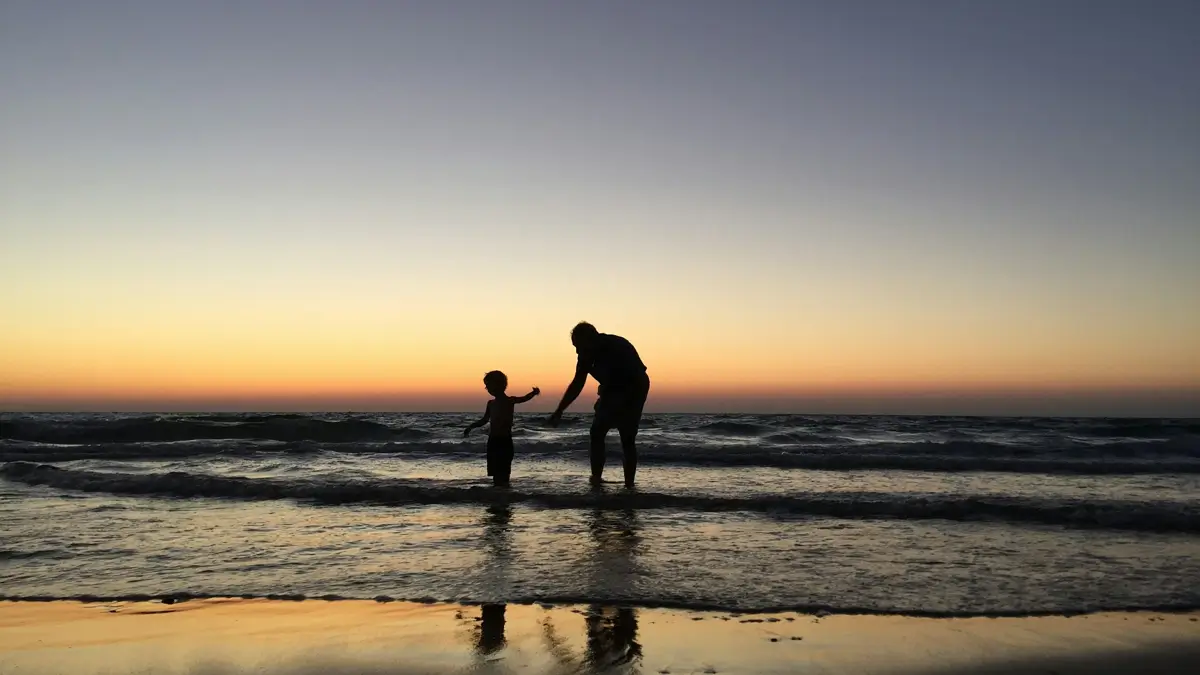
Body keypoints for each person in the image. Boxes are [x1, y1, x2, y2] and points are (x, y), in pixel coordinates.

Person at [548, 322, 649, 486]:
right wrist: (560, 410)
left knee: (627, 436)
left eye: (579, 346)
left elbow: (627, 378)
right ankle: (596, 478)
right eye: (575, 347)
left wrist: (606, 396)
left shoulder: (616, 346)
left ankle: (629, 484)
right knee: (596, 433)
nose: (577, 351)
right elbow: (577, 383)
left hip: (635, 386)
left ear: (591, 339)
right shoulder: (585, 355)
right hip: (612, 388)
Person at [464, 371, 539, 486]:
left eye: (488, 385)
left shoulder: (510, 400)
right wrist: (471, 427)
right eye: (486, 386)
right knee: (495, 472)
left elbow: (524, 398)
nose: (487, 388)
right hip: (493, 441)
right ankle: (498, 496)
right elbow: (484, 420)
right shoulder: (490, 403)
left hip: (505, 441)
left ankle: (504, 495)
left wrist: (533, 393)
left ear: (499, 384)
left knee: (504, 471)